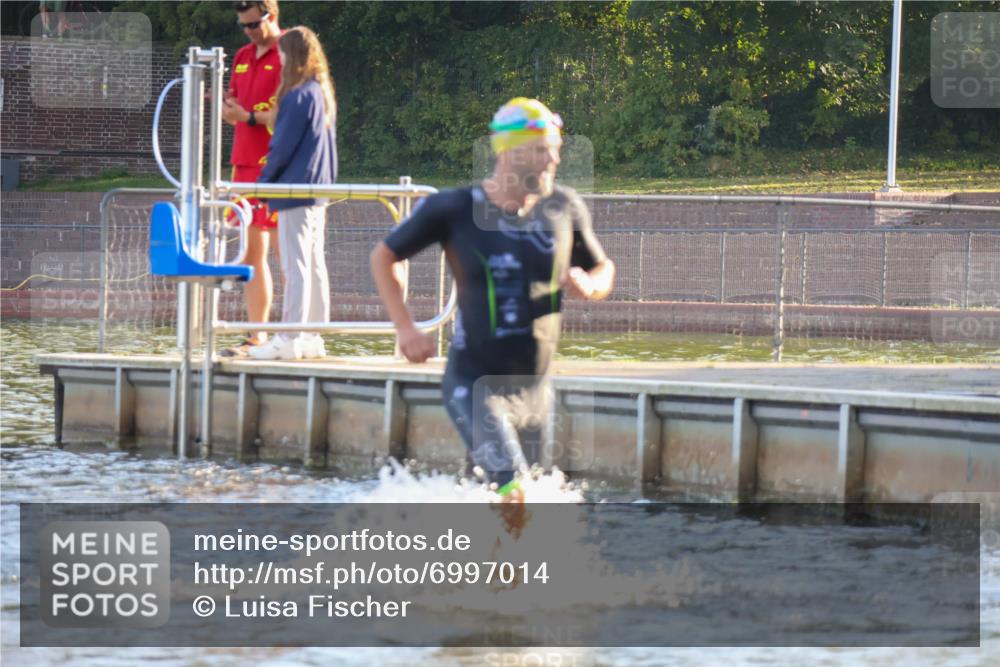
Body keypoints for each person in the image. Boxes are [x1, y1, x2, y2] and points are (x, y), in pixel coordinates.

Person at [370, 97, 615, 499]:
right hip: (475, 383)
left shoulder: (563, 207)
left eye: (555, 149)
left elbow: (603, 267)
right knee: (515, 491)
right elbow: (384, 255)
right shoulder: (455, 208)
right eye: (541, 150)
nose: (552, 159)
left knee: (528, 498)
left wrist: (591, 284)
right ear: (510, 152)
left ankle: (483, 559)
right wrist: (405, 327)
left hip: (535, 390)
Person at [249, 26, 337, 361]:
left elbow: (281, 146)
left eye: (283, 53)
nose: (280, 59)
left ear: (292, 56)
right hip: (317, 189)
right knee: (314, 261)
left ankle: (289, 336)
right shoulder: (321, 93)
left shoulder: (297, 95)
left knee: (295, 262)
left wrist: (264, 183)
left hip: (295, 188)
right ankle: (312, 335)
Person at [220, 0, 282, 357]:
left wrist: (247, 117)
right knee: (250, 251)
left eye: (254, 25)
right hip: (244, 161)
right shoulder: (243, 54)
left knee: (283, 249)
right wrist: (229, 107)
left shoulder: (289, 50)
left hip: (276, 163)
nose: (249, 32)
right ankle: (256, 334)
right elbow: (238, 104)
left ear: (271, 16)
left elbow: (290, 109)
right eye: (243, 26)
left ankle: (293, 333)